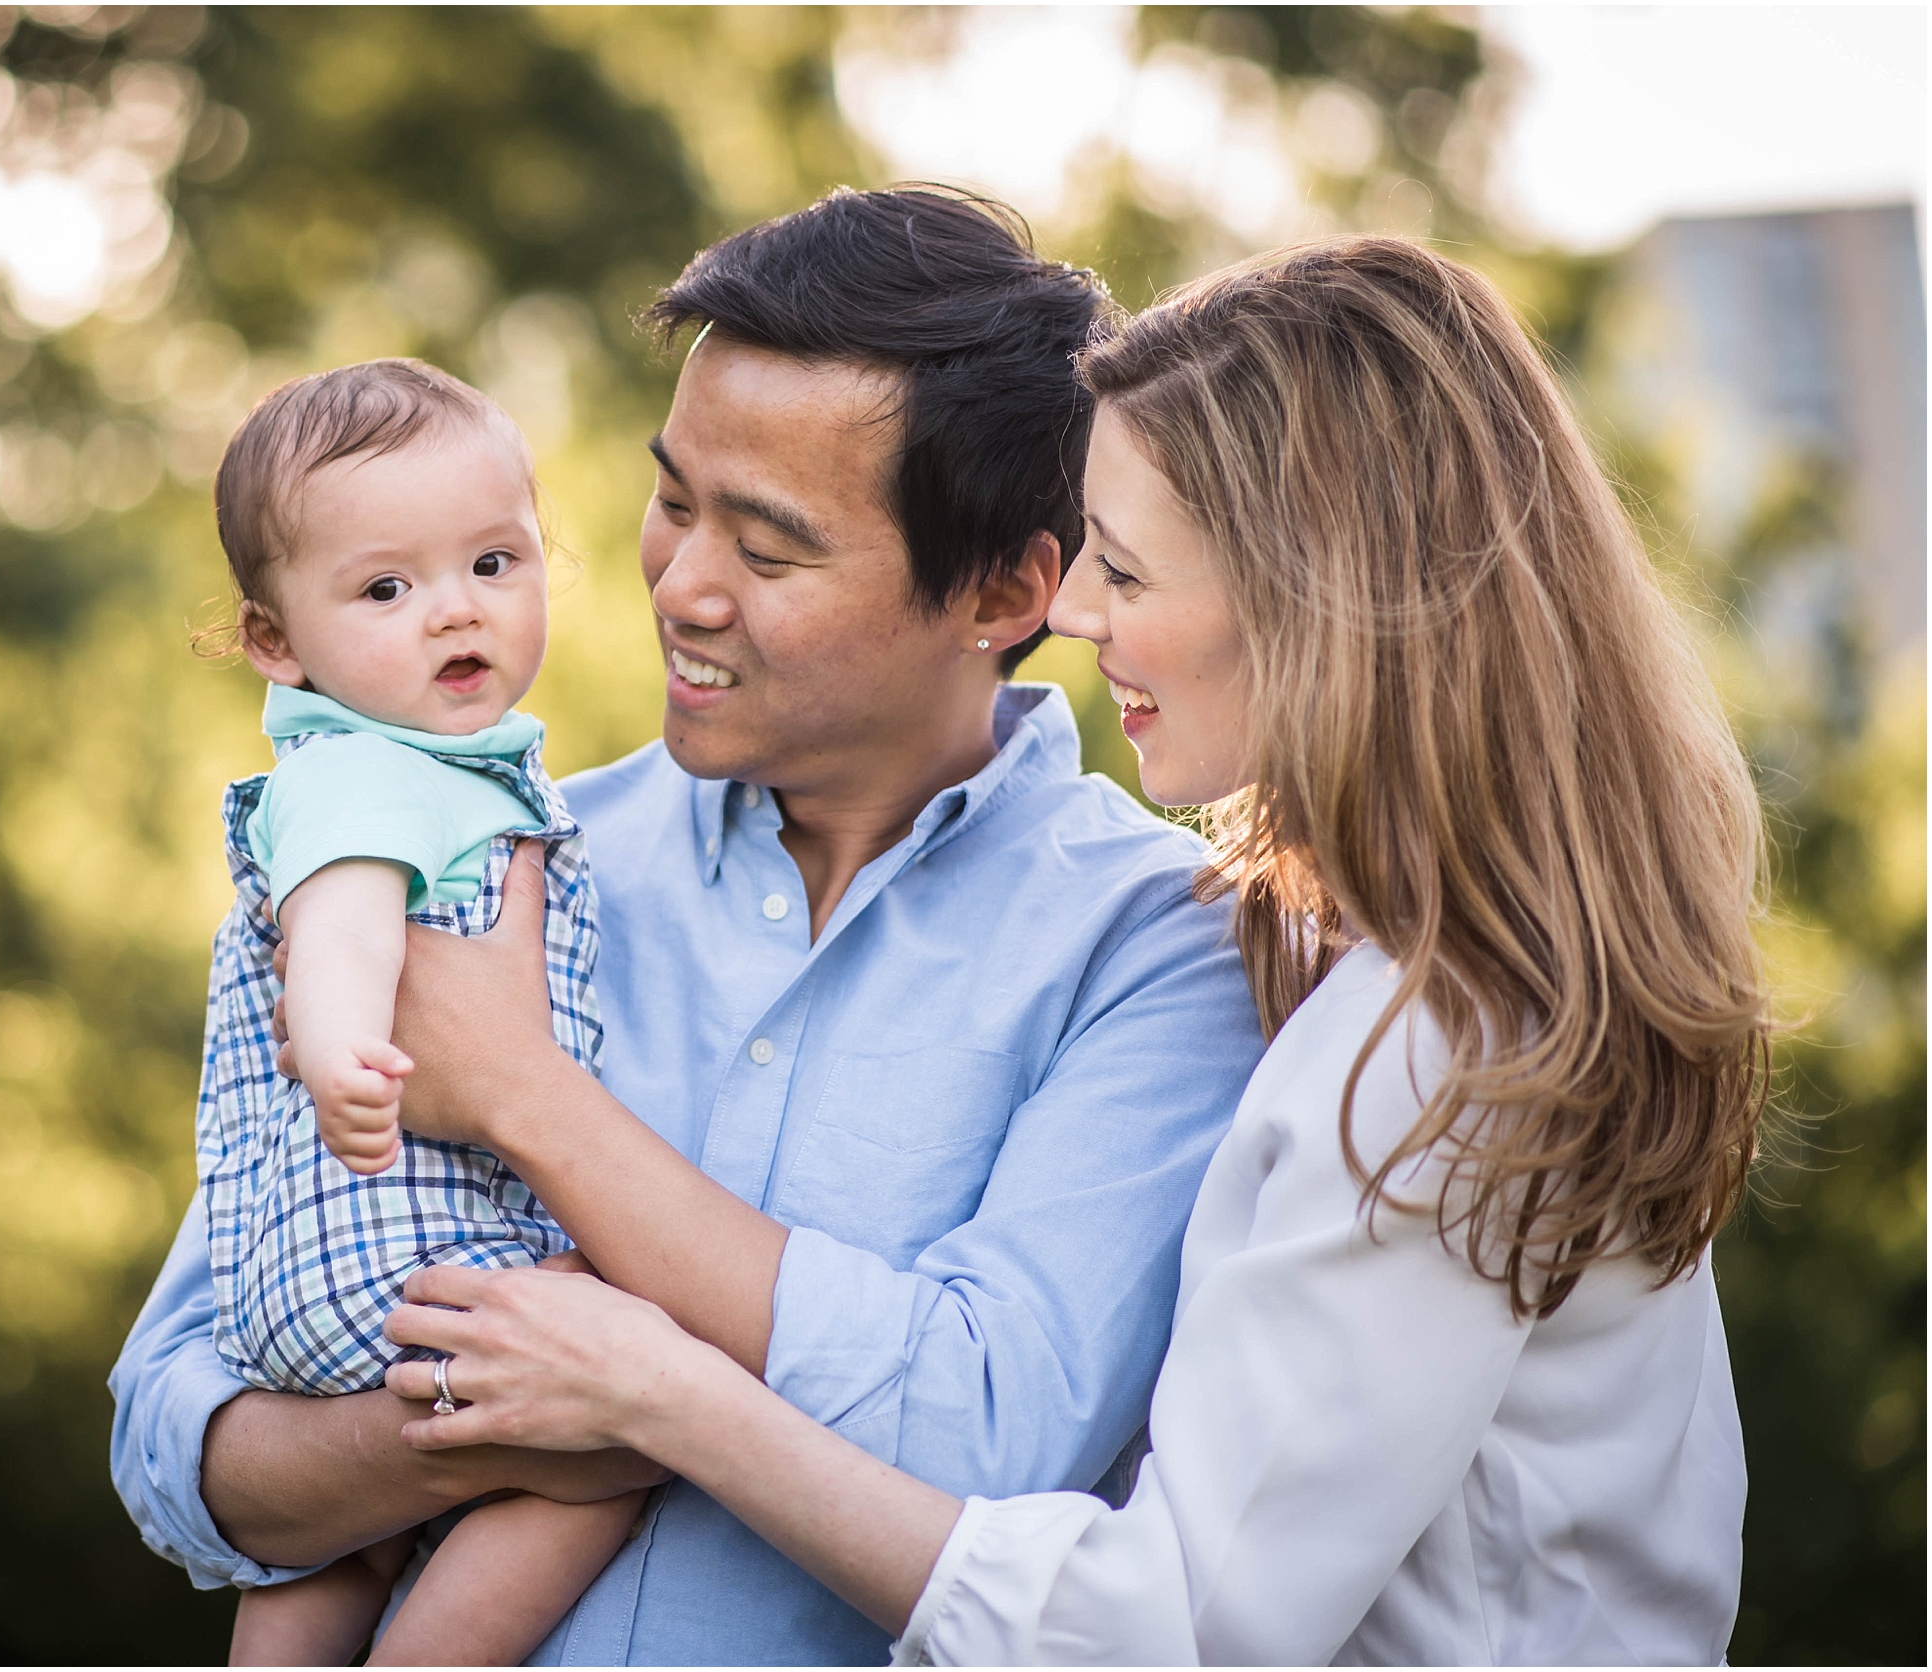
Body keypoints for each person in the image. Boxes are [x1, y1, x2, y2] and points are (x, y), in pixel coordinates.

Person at [376, 237, 1764, 1665]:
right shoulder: (1392, 990)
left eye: (1127, 568)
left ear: (1317, 602)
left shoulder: (1425, 1047)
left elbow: (1167, 1633)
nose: (1078, 614)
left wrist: (662, 1393)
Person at [109, 187, 1267, 1664]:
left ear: (1003, 590)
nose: (682, 587)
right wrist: (510, 1432)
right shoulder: (491, 854)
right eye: (673, 502)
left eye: (770, 550)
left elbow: (994, 1431)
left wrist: (522, 1096)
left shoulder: (1157, 944)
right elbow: (173, 1429)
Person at [194, 358, 645, 1665]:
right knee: (618, 1441)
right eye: (387, 589)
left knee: (339, 1534)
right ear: (277, 641)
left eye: (495, 564)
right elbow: (338, 920)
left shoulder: (441, 769)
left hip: (321, 1279)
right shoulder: (373, 776)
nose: (455, 612)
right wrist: (342, 1050)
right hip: (409, 1250)